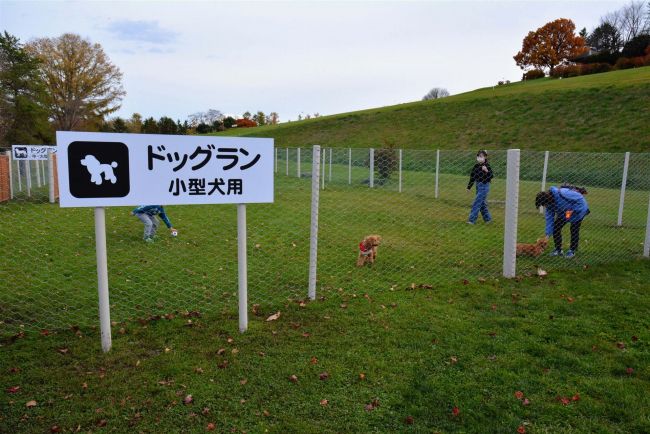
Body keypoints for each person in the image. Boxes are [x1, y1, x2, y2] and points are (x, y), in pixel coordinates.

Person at [535, 186, 589, 258]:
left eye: (544, 204)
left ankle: (572, 251)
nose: (545, 206)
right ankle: (558, 250)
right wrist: (547, 235)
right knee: (556, 228)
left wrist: (571, 212)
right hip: (564, 214)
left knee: (574, 230)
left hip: (578, 212)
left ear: (548, 199)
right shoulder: (549, 205)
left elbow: (580, 199)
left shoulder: (563, 193)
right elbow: (549, 220)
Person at [466, 150, 494, 224]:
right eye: (478, 156)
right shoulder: (476, 166)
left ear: (485, 157)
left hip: (484, 186)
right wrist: (469, 187)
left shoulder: (487, 165)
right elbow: (472, 177)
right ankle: (488, 219)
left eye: (481, 156)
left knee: (477, 202)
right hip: (478, 186)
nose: (479, 158)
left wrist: (486, 171)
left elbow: (491, 176)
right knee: (482, 204)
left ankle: (471, 220)